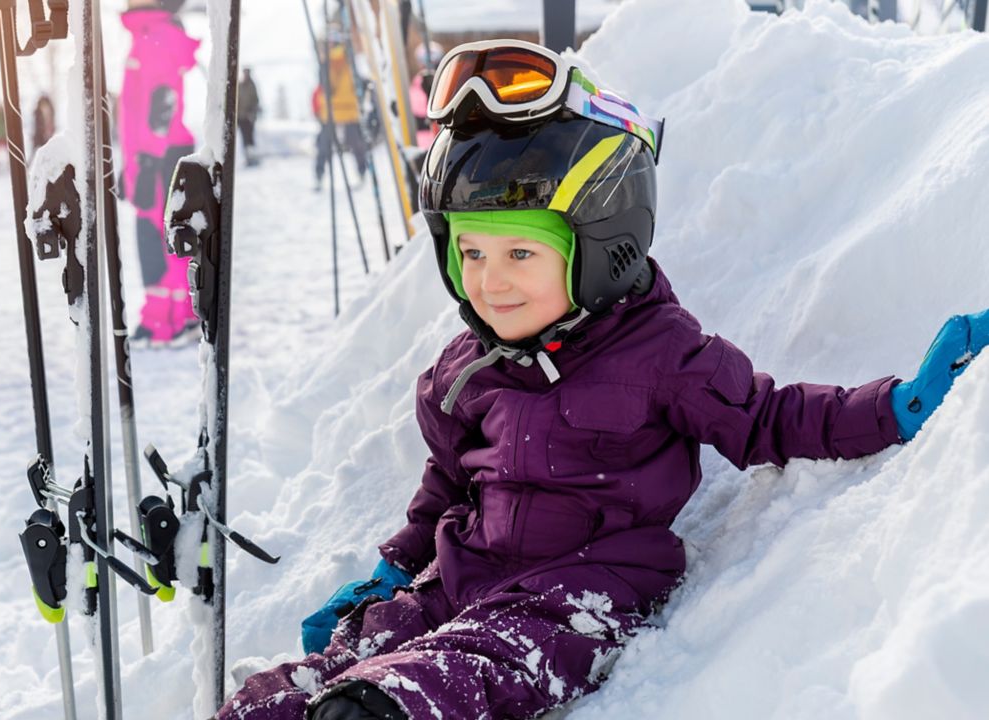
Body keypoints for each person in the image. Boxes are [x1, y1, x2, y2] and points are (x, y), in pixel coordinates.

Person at [217, 40, 989, 720]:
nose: (491, 282)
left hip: (576, 598)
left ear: (600, 245)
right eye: (473, 254)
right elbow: (445, 485)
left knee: (419, 689)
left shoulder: (659, 352)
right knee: (280, 698)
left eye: (521, 254)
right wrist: (390, 573)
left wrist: (895, 406)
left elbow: (768, 418)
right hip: (459, 583)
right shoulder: (466, 369)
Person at [119, 0, 200, 346]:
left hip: (158, 155)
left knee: (159, 236)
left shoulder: (156, 36)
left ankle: (171, 321)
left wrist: (148, 161)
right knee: (155, 236)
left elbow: (161, 101)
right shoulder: (152, 35)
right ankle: (166, 317)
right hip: (151, 155)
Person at [312, 42, 368, 192]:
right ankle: (362, 172)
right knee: (356, 143)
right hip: (348, 110)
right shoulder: (349, 62)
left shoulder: (330, 63)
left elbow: (325, 88)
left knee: (324, 146)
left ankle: (319, 176)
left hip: (333, 111)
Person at [237, 67, 261, 166]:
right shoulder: (240, 85)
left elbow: (255, 101)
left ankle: (251, 157)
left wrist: (252, 112)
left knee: (249, 138)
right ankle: (247, 157)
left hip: (249, 118)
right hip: (240, 117)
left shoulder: (252, 86)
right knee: (244, 138)